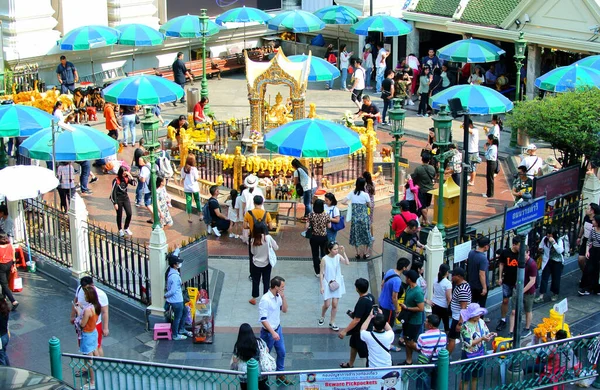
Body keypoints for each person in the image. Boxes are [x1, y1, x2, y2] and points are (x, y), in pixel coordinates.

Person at [259, 276, 289, 384]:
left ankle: (280, 374)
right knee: (264, 356)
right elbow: (263, 319)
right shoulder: (265, 300)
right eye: (282, 287)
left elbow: (285, 310)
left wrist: (283, 297)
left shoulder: (278, 297)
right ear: (275, 287)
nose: (283, 289)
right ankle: (263, 377)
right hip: (268, 333)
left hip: (278, 329)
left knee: (282, 352)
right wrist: (272, 332)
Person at [338, 278, 374, 368]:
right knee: (353, 345)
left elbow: (356, 320)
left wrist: (344, 331)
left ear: (357, 289)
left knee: (366, 352)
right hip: (362, 328)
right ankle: (350, 363)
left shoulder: (362, 302)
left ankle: (369, 368)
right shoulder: (370, 297)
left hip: (362, 330)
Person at [70, 277, 109, 357]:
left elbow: (105, 312)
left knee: (95, 347)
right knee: (87, 348)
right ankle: (91, 367)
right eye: (84, 289)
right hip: (84, 326)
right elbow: (76, 301)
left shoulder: (101, 295)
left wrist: (105, 328)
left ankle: (97, 365)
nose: (85, 292)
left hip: (94, 325)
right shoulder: (79, 289)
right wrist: (72, 315)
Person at [460, 303, 495, 390]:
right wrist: (482, 338)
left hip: (480, 353)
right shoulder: (465, 326)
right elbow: (469, 343)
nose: (479, 315)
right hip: (468, 355)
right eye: (476, 314)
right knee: (465, 379)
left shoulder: (481, 322)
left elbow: (486, 333)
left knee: (476, 377)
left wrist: (490, 335)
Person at [73, 286, 101, 389]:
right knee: (96, 352)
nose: (84, 296)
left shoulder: (88, 310)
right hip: (94, 332)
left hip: (87, 335)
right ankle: (99, 373)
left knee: (89, 360)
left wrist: (78, 313)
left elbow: (82, 324)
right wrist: (80, 308)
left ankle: (93, 381)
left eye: (85, 295)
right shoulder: (96, 306)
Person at [319, 241, 349, 331]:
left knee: (335, 304)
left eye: (337, 249)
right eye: (334, 249)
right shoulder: (324, 259)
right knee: (327, 304)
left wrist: (344, 252)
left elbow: (347, 263)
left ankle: (332, 321)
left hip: (337, 283)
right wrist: (322, 286)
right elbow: (321, 273)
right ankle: (322, 316)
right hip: (327, 283)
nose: (336, 251)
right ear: (329, 250)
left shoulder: (338, 257)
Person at [508, 248, 537, 338]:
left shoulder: (532, 264)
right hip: (518, 288)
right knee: (513, 311)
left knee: (528, 310)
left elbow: (532, 281)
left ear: (528, 253)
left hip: (528, 292)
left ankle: (527, 328)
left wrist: (522, 291)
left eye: (523, 254)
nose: (522, 257)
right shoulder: (519, 261)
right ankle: (511, 331)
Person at [231, 323, 269, 390]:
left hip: (244, 375)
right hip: (260, 373)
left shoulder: (238, 345)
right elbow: (266, 350)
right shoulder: (259, 342)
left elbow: (235, 360)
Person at [341, 177, 372, 259]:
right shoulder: (365, 195)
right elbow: (370, 205)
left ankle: (358, 253)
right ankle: (365, 253)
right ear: (363, 185)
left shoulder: (352, 193)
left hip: (355, 220)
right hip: (364, 219)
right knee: (366, 235)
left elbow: (343, 201)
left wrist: (350, 204)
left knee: (356, 235)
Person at [399, 269, 424, 365]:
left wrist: (407, 308)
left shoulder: (418, 292)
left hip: (414, 321)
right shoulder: (409, 288)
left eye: (406, 277)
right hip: (407, 319)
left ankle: (425, 353)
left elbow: (420, 308)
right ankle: (408, 360)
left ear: (409, 279)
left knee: (409, 341)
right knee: (406, 339)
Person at [165, 253, 192, 340]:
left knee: (185, 311)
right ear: (174, 264)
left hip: (178, 299)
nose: (179, 264)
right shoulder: (174, 277)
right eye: (177, 263)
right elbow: (172, 291)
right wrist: (166, 295)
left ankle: (181, 329)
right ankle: (175, 334)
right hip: (176, 301)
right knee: (178, 317)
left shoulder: (173, 272)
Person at [495, 236, 521, 332]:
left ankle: (515, 319)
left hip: (517, 282)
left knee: (516, 302)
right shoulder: (505, 253)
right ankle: (503, 319)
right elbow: (501, 264)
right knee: (505, 300)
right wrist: (500, 277)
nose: (520, 248)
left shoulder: (521, 254)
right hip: (507, 280)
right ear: (514, 245)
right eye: (519, 245)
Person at [249, 224, 278, 305]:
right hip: (267, 263)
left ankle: (254, 298)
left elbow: (252, 252)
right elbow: (276, 247)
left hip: (256, 263)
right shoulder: (268, 238)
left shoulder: (252, 240)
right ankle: (266, 298)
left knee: (255, 281)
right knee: (266, 280)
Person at [416, 314, 447, 389]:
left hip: (425, 362)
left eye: (426, 321)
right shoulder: (443, 335)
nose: (424, 323)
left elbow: (418, 348)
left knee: (423, 384)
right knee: (436, 383)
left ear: (430, 325)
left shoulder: (422, 336)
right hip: (438, 362)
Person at [535, 227, 565, 302]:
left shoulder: (559, 240)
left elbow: (560, 251)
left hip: (557, 261)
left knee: (556, 278)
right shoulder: (545, 239)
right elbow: (540, 247)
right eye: (547, 235)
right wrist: (540, 249)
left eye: (550, 235)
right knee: (544, 278)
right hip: (547, 260)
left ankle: (555, 293)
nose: (548, 237)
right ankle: (541, 295)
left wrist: (554, 243)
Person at [379, 257, 410, 326]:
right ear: (404, 268)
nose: (407, 269)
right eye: (407, 267)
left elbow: (382, 285)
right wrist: (397, 310)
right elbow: (394, 297)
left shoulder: (390, 271)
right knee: (388, 326)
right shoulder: (397, 281)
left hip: (381, 302)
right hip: (389, 307)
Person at [447, 267, 471, 354]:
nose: (451, 277)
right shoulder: (461, 286)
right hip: (457, 317)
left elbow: (463, 308)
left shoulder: (462, 289)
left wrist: (459, 323)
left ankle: (445, 359)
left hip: (458, 319)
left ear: (459, 276)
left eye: (453, 275)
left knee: (452, 339)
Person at [109, 166, 136, 237]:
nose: (124, 175)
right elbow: (113, 192)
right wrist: (115, 203)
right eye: (123, 173)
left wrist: (131, 176)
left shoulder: (127, 179)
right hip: (118, 199)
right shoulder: (116, 180)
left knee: (129, 213)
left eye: (125, 173)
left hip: (125, 198)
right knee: (119, 215)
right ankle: (120, 229)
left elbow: (134, 184)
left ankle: (126, 227)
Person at [307, 199, 330, 277]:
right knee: (324, 254)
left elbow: (306, 226)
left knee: (315, 255)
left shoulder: (310, 215)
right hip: (324, 237)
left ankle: (317, 272)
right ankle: (324, 270)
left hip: (314, 237)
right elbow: (329, 226)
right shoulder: (326, 215)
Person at [412, 154, 436, 226]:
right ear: (429, 160)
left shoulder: (418, 169)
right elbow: (434, 176)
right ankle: (423, 221)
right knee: (426, 205)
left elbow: (414, 177)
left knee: (422, 206)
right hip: (430, 189)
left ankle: (426, 220)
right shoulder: (432, 168)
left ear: (422, 160)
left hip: (421, 189)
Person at [467, 237, 490, 311]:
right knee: (481, 306)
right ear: (486, 246)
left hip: (472, 284)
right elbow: (481, 274)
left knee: (472, 305)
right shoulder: (483, 259)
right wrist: (484, 287)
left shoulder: (471, 253)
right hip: (479, 286)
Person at [580, 215, 600, 296]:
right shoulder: (593, 229)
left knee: (597, 270)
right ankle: (586, 288)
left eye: (594, 221)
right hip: (593, 250)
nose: (592, 222)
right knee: (588, 268)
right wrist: (587, 251)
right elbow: (589, 241)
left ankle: (596, 288)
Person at [577, 203, 600, 275]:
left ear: (592, 211)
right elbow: (583, 227)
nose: (586, 210)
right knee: (581, 259)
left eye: (588, 209)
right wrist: (579, 237)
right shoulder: (586, 217)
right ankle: (585, 275)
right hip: (585, 240)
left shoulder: (597, 220)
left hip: (594, 243)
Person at [430, 264, 452, 332]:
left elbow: (434, 291)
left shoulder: (435, 279)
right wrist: (450, 307)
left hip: (435, 304)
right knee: (446, 323)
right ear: (447, 272)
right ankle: (446, 338)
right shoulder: (448, 283)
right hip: (443, 306)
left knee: (434, 323)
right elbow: (448, 297)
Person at [181, 155, 202, 223]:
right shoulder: (194, 169)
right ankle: (200, 215)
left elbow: (183, 177)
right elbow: (196, 178)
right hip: (194, 188)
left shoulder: (183, 169)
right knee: (197, 201)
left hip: (187, 188)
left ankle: (190, 217)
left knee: (188, 202)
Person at [0, 234, 17, 310]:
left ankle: (13, 301)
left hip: (1, 266)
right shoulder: (10, 245)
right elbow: (13, 255)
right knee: (5, 282)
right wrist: (14, 265)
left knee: (4, 284)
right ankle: (3, 298)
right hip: (9, 264)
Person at [483, 134, 498, 198]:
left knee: (490, 179)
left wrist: (485, 150)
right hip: (490, 163)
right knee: (489, 178)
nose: (487, 139)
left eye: (488, 138)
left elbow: (488, 157)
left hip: (491, 163)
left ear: (491, 140)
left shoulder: (493, 147)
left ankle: (490, 194)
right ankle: (488, 192)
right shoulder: (492, 146)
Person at [466, 119, 480, 186]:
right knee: (469, 166)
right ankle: (470, 178)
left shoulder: (475, 130)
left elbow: (470, 131)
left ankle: (472, 181)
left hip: (473, 152)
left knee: (472, 166)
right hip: (470, 151)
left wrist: (465, 126)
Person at [0, 298, 10, 366]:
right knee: (4, 353)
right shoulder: (5, 310)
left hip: (0, 339)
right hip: (5, 335)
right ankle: (9, 367)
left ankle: (4, 372)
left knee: (1, 358)